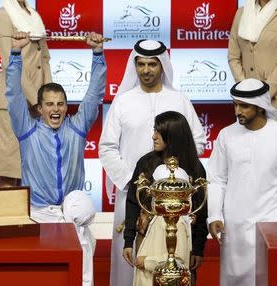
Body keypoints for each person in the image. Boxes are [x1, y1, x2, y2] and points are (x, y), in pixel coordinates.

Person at [98, 39, 206, 286]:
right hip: (133, 194)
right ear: (134, 65)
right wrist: (134, 184)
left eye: (152, 64)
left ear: (163, 66)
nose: (146, 70)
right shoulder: (123, 101)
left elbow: (196, 143)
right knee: (132, 257)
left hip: (175, 198)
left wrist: (173, 180)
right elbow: (107, 147)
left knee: (174, 259)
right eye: (141, 64)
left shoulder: (179, 100)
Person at [6, 31, 105, 286]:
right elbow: (14, 96)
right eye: (49, 104)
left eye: (61, 104)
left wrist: (97, 54)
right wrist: (15, 54)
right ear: (39, 109)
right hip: (39, 214)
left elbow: (94, 95)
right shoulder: (27, 131)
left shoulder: (77, 128)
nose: (56, 109)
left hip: (72, 214)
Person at [122, 111, 208, 285]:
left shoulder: (195, 168)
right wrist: (128, 241)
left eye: (159, 132)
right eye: (154, 130)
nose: (153, 136)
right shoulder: (145, 163)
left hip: (183, 242)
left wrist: (198, 248)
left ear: (173, 136)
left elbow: (201, 211)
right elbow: (133, 202)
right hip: (147, 238)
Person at [207, 78, 277, 286]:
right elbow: (217, 179)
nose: (238, 111)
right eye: (235, 105)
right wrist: (214, 215)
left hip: (270, 224)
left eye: (244, 106)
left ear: (260, 106)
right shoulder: (226, 135)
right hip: (233, 226)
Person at [0, 0, 52, 187]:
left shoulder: (34, 15)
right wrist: (36, 100)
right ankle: (4, 216)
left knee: (31, 172)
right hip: (12, 102)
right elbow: (10, 61)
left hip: (37, 104)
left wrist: (49, 99)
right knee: (9, 171)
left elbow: (45, 60)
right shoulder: (3, 15)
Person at [228, 0, 277, 108]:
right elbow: (233, 57)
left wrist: (264, 95)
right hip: (247, 103)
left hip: (273, 99)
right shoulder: (241, 13)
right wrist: (246, 90)